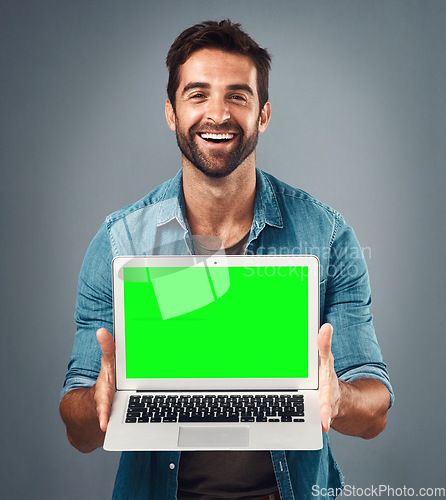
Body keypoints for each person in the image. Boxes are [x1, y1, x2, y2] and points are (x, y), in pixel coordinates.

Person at [59, 20, 394, 500]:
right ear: (171, 113)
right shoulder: (121, 241)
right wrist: (99, 402)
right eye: (198, 95)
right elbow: (79, 432)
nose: (218, 113)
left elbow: (375, 412)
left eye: (238, 96)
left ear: (264, 114)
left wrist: (337, 400)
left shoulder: (328, 236)